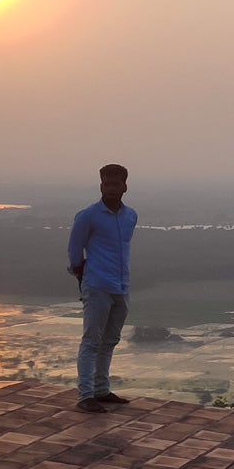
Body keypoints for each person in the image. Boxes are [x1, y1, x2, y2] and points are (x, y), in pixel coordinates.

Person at [68, 163, 137, 413]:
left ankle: (101, 389)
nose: (110, 188)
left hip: (121, 284)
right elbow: (75, 251)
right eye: (106, 184)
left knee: (110, 340)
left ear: (124, 187)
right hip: (97, 284)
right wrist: (80, 275)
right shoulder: (88, 215)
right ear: (100, 186)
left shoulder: (130, 216)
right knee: (91, 340)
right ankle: (85, 395)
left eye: (115, 184)